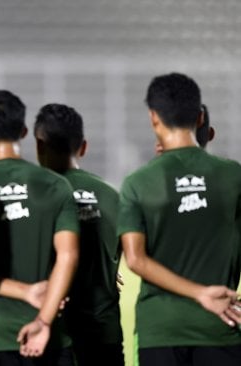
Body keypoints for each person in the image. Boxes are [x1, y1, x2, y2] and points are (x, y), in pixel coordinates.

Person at [118, 72, 241, 366]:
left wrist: (199, 293)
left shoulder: (138, 183)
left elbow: (135, 260)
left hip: (160, 331)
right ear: (200, 118)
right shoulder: (234, 176)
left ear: (153, 118)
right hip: (220, 328)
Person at [0, 90, 79, 366]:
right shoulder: (56, 185)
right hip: (50, 335)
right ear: (24, 130)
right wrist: (43, 320)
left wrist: (25, 291)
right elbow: (69, 256)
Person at [34, 103, 123, 366]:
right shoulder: (111, 196)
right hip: (103, 332)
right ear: (83, 146)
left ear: (39, 145)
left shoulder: (31, 194)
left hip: (52, 332)